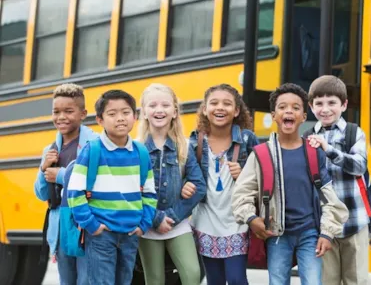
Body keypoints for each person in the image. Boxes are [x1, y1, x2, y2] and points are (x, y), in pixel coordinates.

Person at [232, 83, 348, 285]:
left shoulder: (313, 153)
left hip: (310, 233)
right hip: (277, 234)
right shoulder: (261, 154)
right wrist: (251, 218)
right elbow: (242, 193)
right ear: (274, 115)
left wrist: (327, 233)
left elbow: (329, 196)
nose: (289, 111)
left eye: (296, 108)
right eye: (282, 107)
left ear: (304, 117)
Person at [67, 90, 156, 285]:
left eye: (125, 112)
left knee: (124, 281)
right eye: (112, 114)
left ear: (135, 116)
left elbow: (149, 193)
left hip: (131, 233)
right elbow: (75, 193)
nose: (120, 119)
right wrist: (92, 225)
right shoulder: (92, 150)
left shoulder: (141, 152)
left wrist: (143, 224)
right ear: (100, 120)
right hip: (101, 235)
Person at [188, 84, 259, 285]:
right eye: (214, 103)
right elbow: (186, 176)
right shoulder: (195, 142)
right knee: (215, 280)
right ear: (204, 109)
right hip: (206, 220)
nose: (220, 108)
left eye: (227, 104)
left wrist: (244, 174)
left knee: (237, 279)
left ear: (236, 111)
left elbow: (264, 176)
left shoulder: (247, 139)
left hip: (237, 221)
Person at [136, 83, 206, 284]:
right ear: (144, 112)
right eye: (153, 105)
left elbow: (198, 185)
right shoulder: (136, 148)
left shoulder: (183, 146)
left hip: (178, 222)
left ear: (175, 112)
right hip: (148, 224)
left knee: (192, 274)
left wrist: (172, 216)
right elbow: (132, 189)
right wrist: (156, 218)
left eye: (165, 105)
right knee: (155, 279)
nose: (159, 110)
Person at [304, 75, 370, 285]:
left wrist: (329, 150)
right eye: (319, 103)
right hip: (323, 226)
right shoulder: (306, 137)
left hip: (354, 221)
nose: (325, 109)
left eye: (332, 103)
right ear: (311, 106)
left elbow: (359, 166)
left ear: (344, 104)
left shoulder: (353, 133)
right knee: (327, 280)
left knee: (356, 280)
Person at [34, 83, 96, 284]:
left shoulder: (94, 145)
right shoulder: (50, 150)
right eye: (56, 112)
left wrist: (60, 175)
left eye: (69, 111)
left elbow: (95, 181)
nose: (61, 117)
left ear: (83, 113)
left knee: (87, 278)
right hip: (60, 224)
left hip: (86, 224)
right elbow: (42, 194)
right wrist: (44, 169)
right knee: (66, 280)